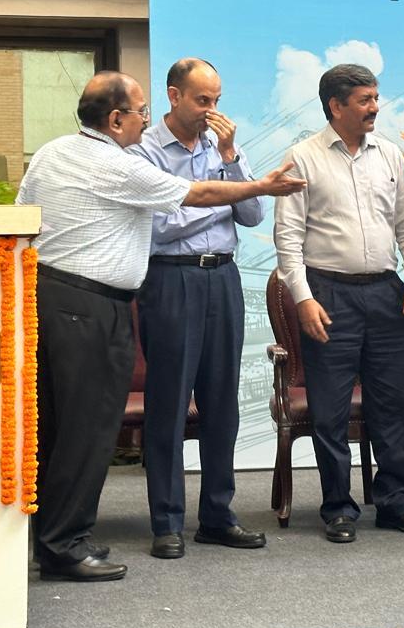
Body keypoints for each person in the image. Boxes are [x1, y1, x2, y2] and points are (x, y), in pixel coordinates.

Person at [17, 71, 304, 581]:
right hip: (124, 294)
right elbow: (186, 205)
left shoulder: (52, 152)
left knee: (71, 426)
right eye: (141, 110)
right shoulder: (125, 159)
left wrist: (233, 167)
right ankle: (80, 542)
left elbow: (26, 216)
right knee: (94, 425)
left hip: (81, 293)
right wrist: (254, 187)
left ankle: (63, 539)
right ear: (116, 119)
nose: (144, 118)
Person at [273, 64, 404, 543]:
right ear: (336, 106)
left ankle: (397, 502)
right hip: (328, 294)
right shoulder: (303, 157)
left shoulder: (389, 154)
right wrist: (303, 299)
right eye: (365, 100)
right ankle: (338, 508)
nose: (375, 107)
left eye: (376, 98)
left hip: (386, 293)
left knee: (397, 404)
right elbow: (288, 239)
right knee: (331, 410)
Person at [130, 59, 266, 560]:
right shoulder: (144, 151)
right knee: (169, 403)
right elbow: (159, 228)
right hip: (171, 278)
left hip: (223, 278)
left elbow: (252, 212)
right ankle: (167, 522)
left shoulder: (221, 147)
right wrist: (220, 201)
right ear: (174, 96)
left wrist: (230, 162)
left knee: (222, 402)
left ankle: (218, 516)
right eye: (202, 100)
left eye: (217, 100)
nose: (212, 110)